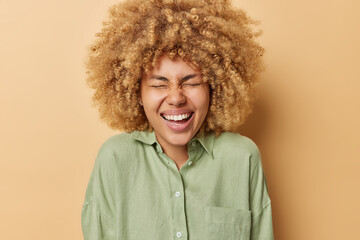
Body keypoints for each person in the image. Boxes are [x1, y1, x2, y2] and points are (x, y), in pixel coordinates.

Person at [81, 0, 274, 239]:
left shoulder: (242, 157)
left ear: (214, 87)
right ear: (135, 92)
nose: (176, 98)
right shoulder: (115, 159)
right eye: (159, 84)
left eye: (192, 83)